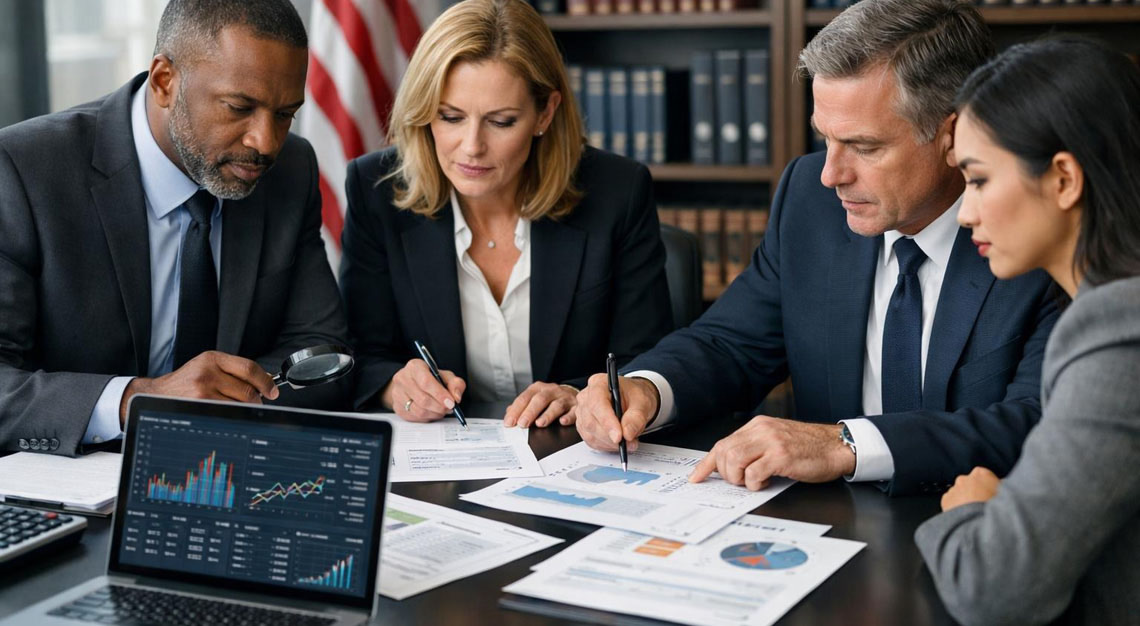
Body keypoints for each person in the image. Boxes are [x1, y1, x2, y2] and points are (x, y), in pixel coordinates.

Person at [575, 0, 1060, 496]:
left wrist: (844, 444)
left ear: (953, 133)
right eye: (824, 138)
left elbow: (1035, 421)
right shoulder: (810, 195)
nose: (832, 174)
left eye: (865, 147)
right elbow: (732, 344)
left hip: (973, 525)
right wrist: (647, 390)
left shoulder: (1038, 231)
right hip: (821, 527)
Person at [0, 0, 349, 456]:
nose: (265, 141)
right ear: (165, 81)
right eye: (239, 107)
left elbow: (321, 351)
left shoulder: (290, 170)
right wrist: (135, 401)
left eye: (285, 114)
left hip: (225, 470)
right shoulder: (25, 171)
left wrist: (224, 407)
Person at [339, 0, 672, 427]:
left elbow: (645, 361)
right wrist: (393, 385)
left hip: (572, 456)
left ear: (544, 113)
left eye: (500, 121)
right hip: (439, 463)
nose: (472, 146)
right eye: (451, 117)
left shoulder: (617, 193)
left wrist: (578, 395)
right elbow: (359, 355)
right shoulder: (376, 191)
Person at [915, 37, 1140, 626]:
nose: (964, 214)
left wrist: (969, 515)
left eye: (980, 180)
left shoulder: (1120, 333)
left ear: (1064, 179)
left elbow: (994, 591)